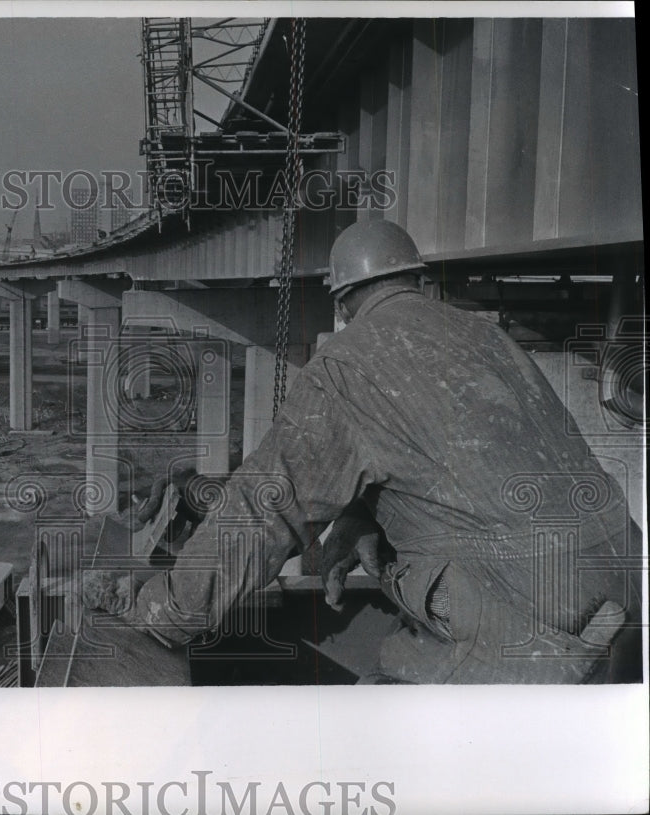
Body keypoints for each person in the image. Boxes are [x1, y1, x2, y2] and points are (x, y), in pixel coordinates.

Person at [84, 219, 643, 684]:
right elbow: (469, 460)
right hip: (625, 579)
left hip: (527, 619)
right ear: (417, 280)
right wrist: (365, 512)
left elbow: (262, 509)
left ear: (343, 298)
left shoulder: (345, 365)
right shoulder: (486, 337)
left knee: (367, 733)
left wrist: (169, 607)